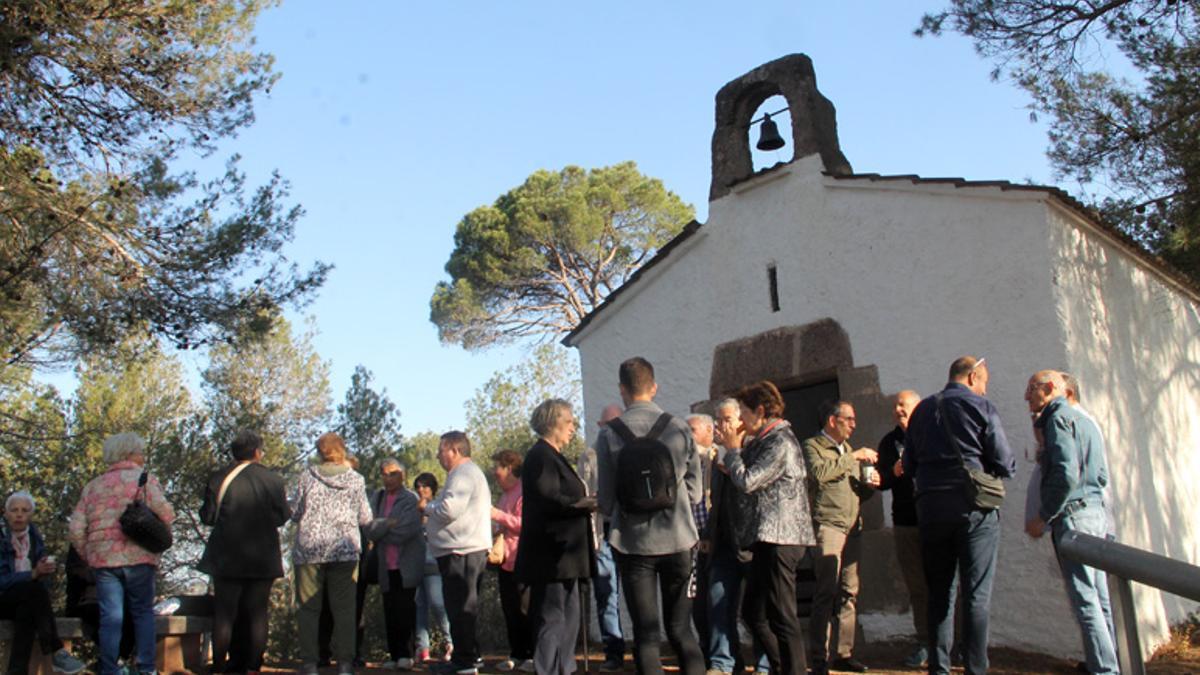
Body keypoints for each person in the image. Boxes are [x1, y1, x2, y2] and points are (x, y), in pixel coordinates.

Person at [904, 356, 1016, 675]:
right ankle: (974, 668)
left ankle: (939, 668)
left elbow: (910, 466)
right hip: (973, 510)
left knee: (939, 594)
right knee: (976, 594)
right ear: (972, 377)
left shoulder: (922, 410)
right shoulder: (982, 407)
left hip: (930, 511)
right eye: (983, 382)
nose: (983, 389)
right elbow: (1004, 462)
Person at [596, 357, 705, 675]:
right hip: (679, 540)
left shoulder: (609, 435)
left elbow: (605, 500)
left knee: (645, 636)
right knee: (682, 631)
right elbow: (696, 493)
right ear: (654, 387)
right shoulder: (680, 427)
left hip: (633, 545)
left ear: (622, 390)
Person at [1024, 370, 1118, 674]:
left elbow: (1065, 474)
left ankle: (1105, 670)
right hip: (1095, 514)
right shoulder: (1086, 421)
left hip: (1074, 518)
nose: (1027, 396)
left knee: (1086, 603)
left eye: (1031, 389)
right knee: (1100, 599)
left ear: (1050, 388)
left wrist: (1044, 515)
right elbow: (1100, 474)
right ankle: (1109, 663)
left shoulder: (1057, 419)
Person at [719, 381, 815, 675]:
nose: (741, 419)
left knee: (782, 615)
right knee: (753, 612)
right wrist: (732, 457)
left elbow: (748, 481)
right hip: (765, 538)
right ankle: (780, 666)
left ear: (760, 411)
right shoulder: (763, 440)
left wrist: (733, 453)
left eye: (744, 412)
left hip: (781, 537)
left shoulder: (780, 441)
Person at [69, 432, 175, 675]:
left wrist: (89, 554)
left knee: (110, 617)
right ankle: (146, 667)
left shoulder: (93, 486)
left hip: (103, 562)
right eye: (140, 452)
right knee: (142, 613)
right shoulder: (144, 479)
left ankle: (109, 668)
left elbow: (75, 528)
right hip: (139, 558)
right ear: (129, 454)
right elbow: (166, 513)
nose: (143, 457)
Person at [198, 429, 291, 674]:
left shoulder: (218, 478)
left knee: (225, 613)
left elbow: (207, 516)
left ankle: (219, 665)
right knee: (257, 613)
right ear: (258, 453)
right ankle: (252, 665)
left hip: (225, 554)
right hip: (263, 556)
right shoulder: (273, 480)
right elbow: (282, 517)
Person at [517, 399, 597, 675]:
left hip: (566, 556)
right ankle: (548, 669)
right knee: (552, 617)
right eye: (569, 421)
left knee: (569, 615)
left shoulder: (553, 456)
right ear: (553, 422)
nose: (573, 427)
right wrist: (581, 504)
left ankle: (565, 667)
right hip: (551, 556)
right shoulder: (540, 456)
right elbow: (547, 497)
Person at [801, 400, 879, 675]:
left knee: (849, 592)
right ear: (833, 421)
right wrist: (853, 457)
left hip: (852, 526)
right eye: (849, 419)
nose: (854, 424)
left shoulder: (847, 450)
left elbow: (858, 491)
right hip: (829, 525)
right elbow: (819, 474)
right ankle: (819, 657)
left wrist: (870, 486)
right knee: (826, 590)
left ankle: (844, 653)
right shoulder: (813, 446)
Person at [289, 432, 373, 675]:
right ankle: (345, 664)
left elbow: (295, 513)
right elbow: (365, 518)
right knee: (345, 609)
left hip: (309, 551)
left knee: (308, 608)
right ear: (342, 450)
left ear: (319, 452)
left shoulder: (306, 477)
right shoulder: (356, 479)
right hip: (345, 550)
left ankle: (310, 663)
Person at [703, 399, 769, 675]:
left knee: (758, 610)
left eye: (726, 419)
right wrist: (709, 534)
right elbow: (714, 502)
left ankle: (765, 663)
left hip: (753, 544)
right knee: (719, 603)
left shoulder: (756, 453)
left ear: (741, 422)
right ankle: (723, 662)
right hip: (723, 544)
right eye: (718, 420)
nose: (720, 426)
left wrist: (733, 459)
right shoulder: (715, 460)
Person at [421, 431, 492, 675]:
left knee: (460, 606)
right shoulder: (466, 473)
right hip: (464, 548)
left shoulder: (462, 474)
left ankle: (464, 661)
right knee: (463, 605)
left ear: (454, 450)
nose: (438, 455)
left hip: (461, 550)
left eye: (441, 450)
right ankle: (471, 656)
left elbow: (450, 509)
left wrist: (427, 507)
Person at [1, 491, 87, 675]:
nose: (19, 514)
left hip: (25, 599)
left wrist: (44, 570)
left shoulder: (34, 536)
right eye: (14, 510)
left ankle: (17, 672)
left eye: (24, 510)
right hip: (3, 597)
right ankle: (56, 651)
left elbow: (38, 580)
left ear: (31, 514)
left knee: (27, 610)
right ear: (6, 513)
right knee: (32, 591)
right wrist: (32, 573)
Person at [875, 390, 929, 669]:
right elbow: (882, 481)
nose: (898, 409)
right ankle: (925, 643)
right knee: (918, 586)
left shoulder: (931, 433)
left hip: (935, 521)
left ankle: (951, 642)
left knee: (944, 583)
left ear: (917, 407)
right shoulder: (889, 442)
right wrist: (891, 474)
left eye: (903, 405)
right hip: (906, 523)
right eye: (896, 406)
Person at [576, 403, 626, 672]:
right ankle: (614, 652)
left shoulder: (632, 449)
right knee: (606, 594)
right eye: (607, 426)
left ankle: (643, 650)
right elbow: (582, 494)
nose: (611, 431)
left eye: (616, 425)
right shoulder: (590, 455)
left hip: (628, 531)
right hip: (602, 533)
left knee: (635, 592)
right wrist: (594, 502)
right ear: (599, 427)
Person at [362, 459, 424, 670]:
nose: (388, 478)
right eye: (384, 474)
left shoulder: (410, 498)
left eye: (392, 474)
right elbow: (368, 528)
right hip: (384, 565)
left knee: (404, 608)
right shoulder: (377, 498)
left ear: (402, 475)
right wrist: (387, 524)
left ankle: (407, 654)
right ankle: (394, 653)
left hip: (406, 563)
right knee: (389, 609)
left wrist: (383, 530)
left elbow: (407, 530)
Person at [488, 450, 533, 672]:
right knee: (510, 608)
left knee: (525, 608)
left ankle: (532, 655)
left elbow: (525, 524)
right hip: (504, 560)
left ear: (509, 469)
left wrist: (497, 516)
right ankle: (516, 653)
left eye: (498, 467)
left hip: (522, 558)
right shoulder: (504, 495)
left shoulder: (524, 492)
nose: (494, 472)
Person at [413, 473, 453, 664]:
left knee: (438, 604)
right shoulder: (413, 509)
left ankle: (450, 642)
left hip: (435, 562)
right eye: (418, 487)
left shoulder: (438, 506)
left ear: (433, 488)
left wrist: (425, 513)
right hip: (415, 563)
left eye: (425, 487)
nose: (421, 490)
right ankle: (423, 648)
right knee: (419, 605)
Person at [685, 413, 715, 660]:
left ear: (709, 431)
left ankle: (721, 653)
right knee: (697, 600)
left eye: (692, 430)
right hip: (691, 541)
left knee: (718, 600)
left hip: (716, 540)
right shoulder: (684, 461)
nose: (688, 434)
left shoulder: (720, 457)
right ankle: (705, 648)